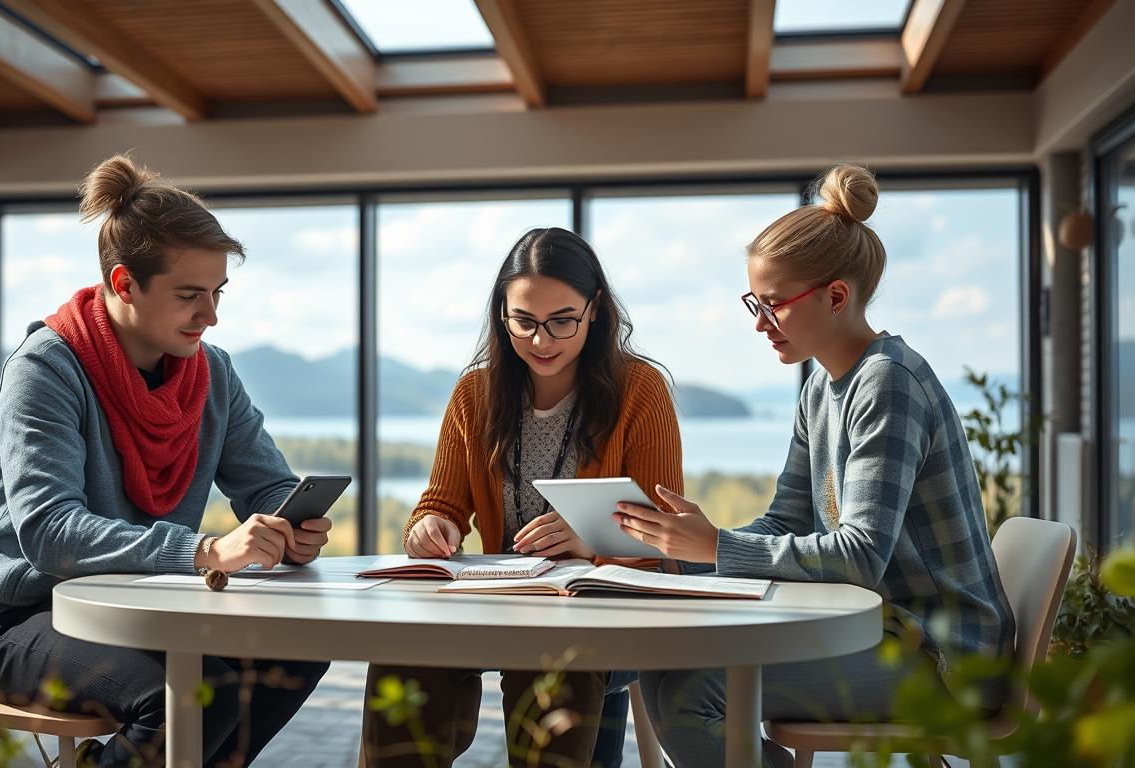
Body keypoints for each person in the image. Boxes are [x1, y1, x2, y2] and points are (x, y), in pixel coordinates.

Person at [615, 164, 1015, 767]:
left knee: (694, 695)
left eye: (773, 305)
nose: (759, 323)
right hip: (884, 629)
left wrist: (717, 547)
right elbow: (787, 519)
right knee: (660, 671)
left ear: (836, 296)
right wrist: (681, 551)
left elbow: (859, 555)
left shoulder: (888, 383)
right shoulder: (820, 388)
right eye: (755, 302)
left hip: (945, 657)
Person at [0, 154, 331, 767]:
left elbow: (266, 485)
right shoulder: (44, 370)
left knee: (297, 648)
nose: (210, 315)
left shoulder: (214, 374)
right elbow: (50, 535)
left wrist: (288, 526)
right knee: (196, 697)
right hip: (22, 619)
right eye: (189, 295)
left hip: (150, 608)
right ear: (125, 283)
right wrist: (205, 552)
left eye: (216, 293)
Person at [360, 227, 684, 767]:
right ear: (501, 315)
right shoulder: (475, 395)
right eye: (524, 323)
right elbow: (440, 503)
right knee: (404, 654)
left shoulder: (639, 390)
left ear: (596, 310)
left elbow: (664, 539)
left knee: (555, 662)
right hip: (493, 604)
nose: (541, 341)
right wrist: (430, 528)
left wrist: (589, 543)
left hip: (598, 614)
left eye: (562, 321)